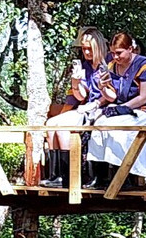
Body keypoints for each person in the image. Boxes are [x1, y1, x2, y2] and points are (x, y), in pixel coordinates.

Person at [86, 31, 146, 186]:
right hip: (123, 111)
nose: (115, 57)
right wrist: (102, 88)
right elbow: (112, 97)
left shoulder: (145, 66)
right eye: (113, 53)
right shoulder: (112, 66)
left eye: (119, 53)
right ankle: (99, 176)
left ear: (130, 49)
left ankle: (123, 177)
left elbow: (144, 97)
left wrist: (121, 108)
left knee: (117, 128)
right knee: (99, 124)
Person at [41, 27, 109, 188]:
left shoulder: (109, 63)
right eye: (84, 49)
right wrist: (75, 82)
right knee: (51, 124)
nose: (86, 52)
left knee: (63, 129)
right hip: (87, 107)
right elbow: (80, 96)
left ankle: (70, 176)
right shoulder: (85, 66)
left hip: (102, 107)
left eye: (89, 48)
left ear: (99, 46)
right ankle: (56, 175)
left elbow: (112, 92)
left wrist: (96, 103)